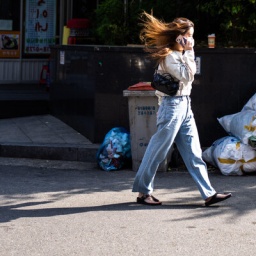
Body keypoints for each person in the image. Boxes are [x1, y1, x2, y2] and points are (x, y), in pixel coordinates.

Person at [132, 12, 232, 206]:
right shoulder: (170, 57)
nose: (191, 40)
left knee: (194, 152)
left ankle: (209, 194)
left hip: (185, 106)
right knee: (157, 152)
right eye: (189, 36)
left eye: (193, 36)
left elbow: (188, 77)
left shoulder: (180, 55)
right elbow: (188, 76)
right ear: (179, 36)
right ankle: (143, 193)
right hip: (171, 107)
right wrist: (190, 51)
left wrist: (187, 52)